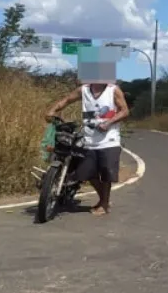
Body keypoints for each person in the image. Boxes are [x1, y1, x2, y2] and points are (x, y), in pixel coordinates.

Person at [46, 81, 129, 215]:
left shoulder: (113, 90)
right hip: (89, 139)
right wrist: (52, 111)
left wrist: (109, 122)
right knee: (87, 172)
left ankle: (104, 204)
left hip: (109, 140)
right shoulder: (83, 90)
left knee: (106, 174)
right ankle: (104, 200)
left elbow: (124, 111)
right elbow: (66, 100)